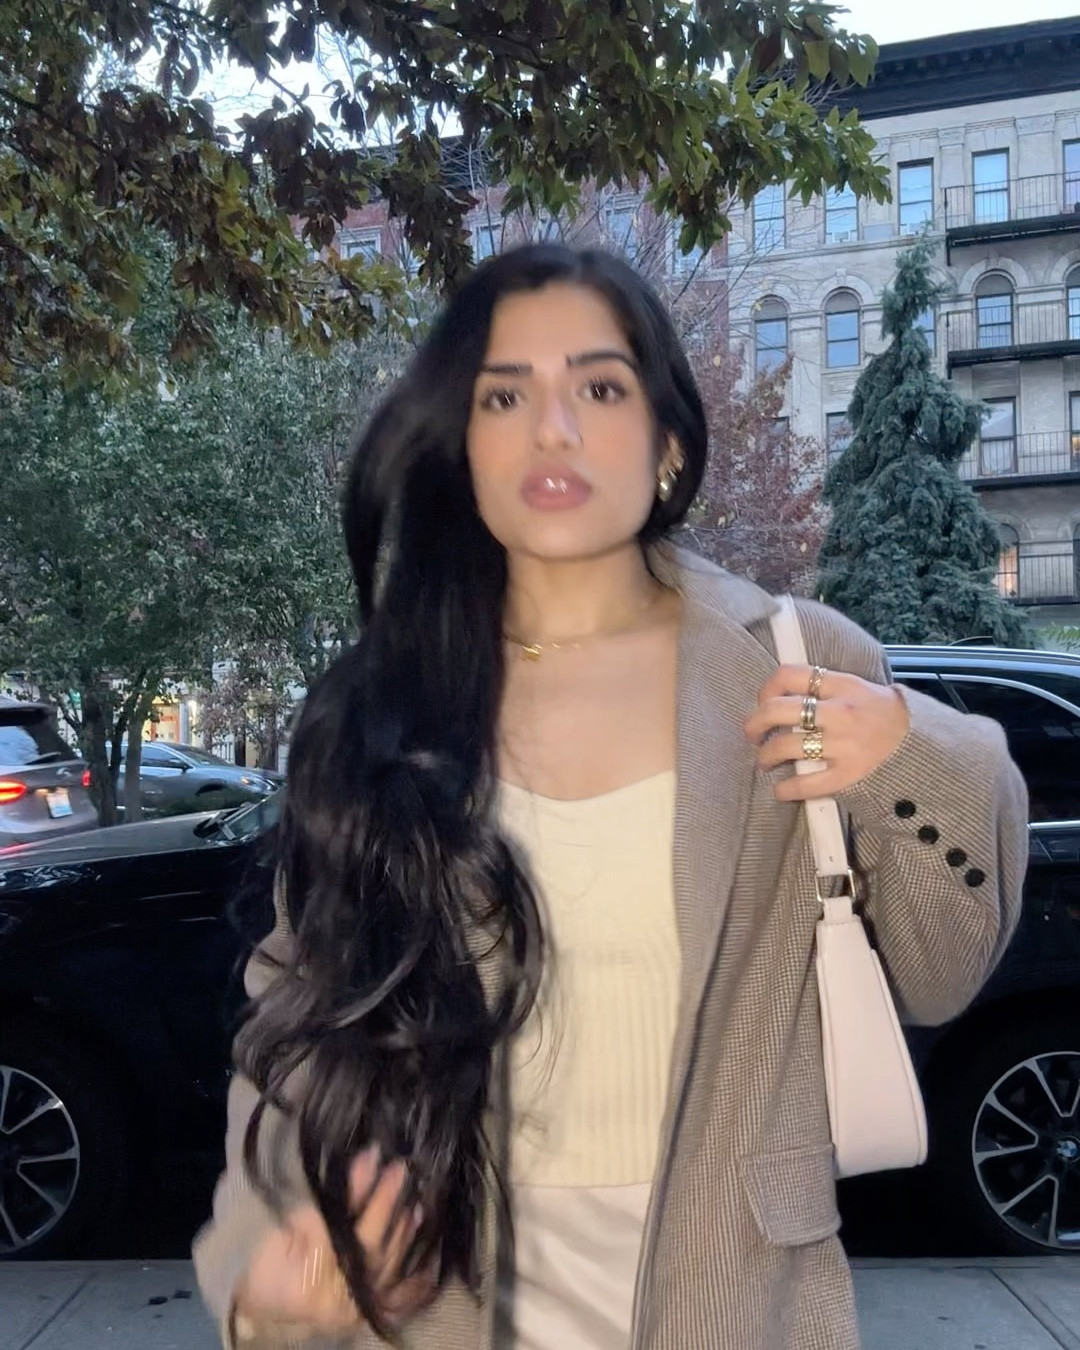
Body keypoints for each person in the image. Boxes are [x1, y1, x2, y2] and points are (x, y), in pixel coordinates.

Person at [193, 244, 1028, 1350]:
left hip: (736, 1298)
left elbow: (940, 975)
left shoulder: (794, 663)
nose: (553, 428)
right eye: (504, 396)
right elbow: (297, 1010)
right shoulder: (388, 703)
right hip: (448, 1302)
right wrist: (269, 1250)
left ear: (667, 443)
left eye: (598, 388)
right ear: (464, 445)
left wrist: (914, 752)